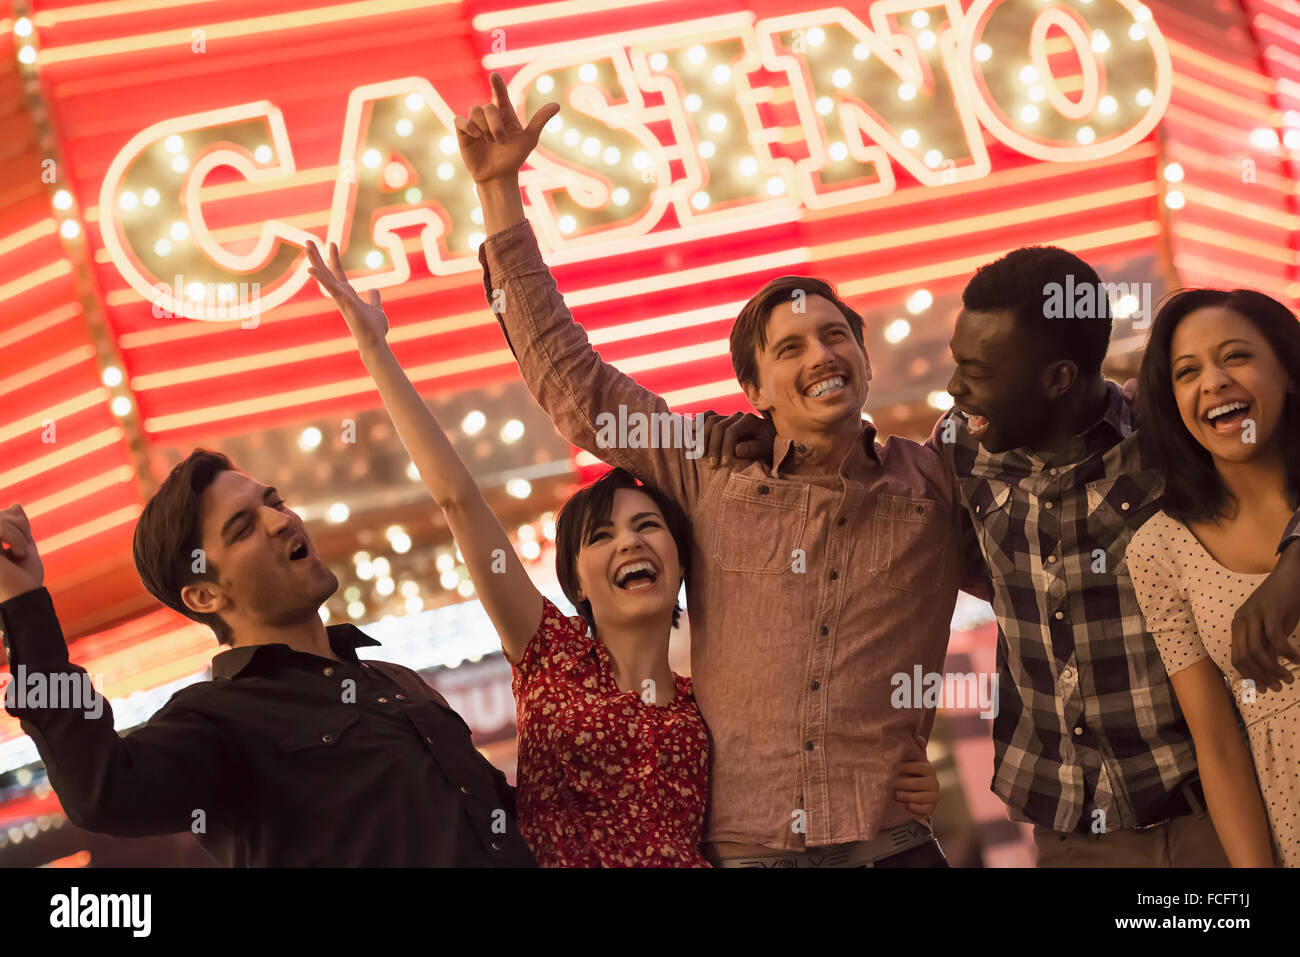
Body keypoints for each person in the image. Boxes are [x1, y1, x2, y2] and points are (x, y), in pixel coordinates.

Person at [454, 73, 950, 867]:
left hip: (889, 844)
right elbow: (575, 385)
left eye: (835, 337)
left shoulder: (935, 488)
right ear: (754, 390)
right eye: (790, 348)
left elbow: (1038, 574)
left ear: (864, 355)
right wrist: (499, 194)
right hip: (750, 853)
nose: (820, 356)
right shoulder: (707, 472)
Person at [712, 247, 1300, 866]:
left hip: (1211, 804)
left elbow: (1276, 467)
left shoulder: (1162, 441)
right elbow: (861, 517)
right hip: (1071, 832)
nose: (954, 387)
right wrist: (772, 443)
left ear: (1058, 380)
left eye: (977, 370)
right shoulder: (956, 452)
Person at [306, 241, 712, 867]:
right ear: (576, 580)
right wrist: (374, 348)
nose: (629, 541)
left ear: (681, 560)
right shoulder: (548, 652)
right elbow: (458, 500)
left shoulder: (707, 703)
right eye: (600, 537)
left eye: (648, 526)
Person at [0, 467, 537, 866]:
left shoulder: (395, 681)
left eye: (274, 502)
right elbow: (103, 792)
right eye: (242, 528)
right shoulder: (218, 720)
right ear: (205, 594)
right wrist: (25, 608)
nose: (281, 521)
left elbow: (513, 822)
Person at [1126, 289, 1300, 866]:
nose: (1214, 381)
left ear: (1289, 373)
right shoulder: (1159, 549)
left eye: (1236, 357)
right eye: (1187, 371)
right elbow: (1218, 747)